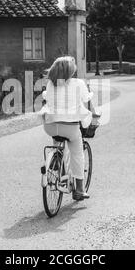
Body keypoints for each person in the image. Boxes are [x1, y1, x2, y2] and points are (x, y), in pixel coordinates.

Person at [40, 56, 93, 201]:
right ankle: (80, 190)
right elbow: (87, 99)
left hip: (49, 126)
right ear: (70, 70)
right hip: (69, 127)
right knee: (77, 154)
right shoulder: (78, 83)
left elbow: (46, 96)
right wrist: (88, 91)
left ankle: (56, 160)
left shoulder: (51, 84)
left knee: (57, 133)